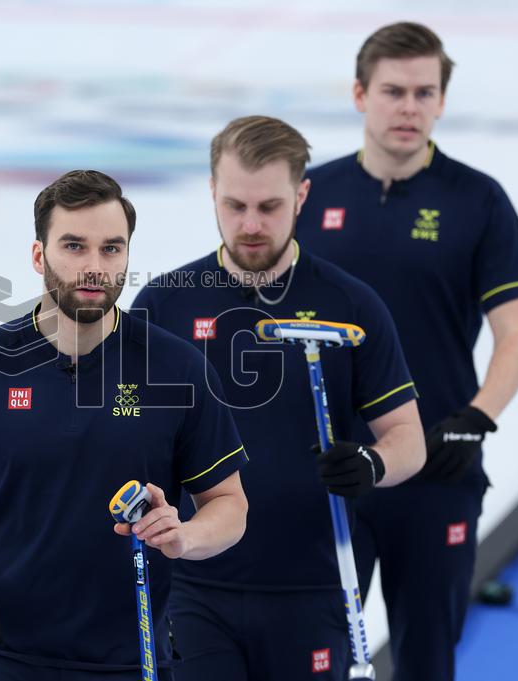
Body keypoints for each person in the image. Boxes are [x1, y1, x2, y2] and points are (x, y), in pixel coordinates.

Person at [0, 169, 249, 681]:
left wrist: (185, 536)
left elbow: (230, 505)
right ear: (39, 255)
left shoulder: (177, 368)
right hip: (5, 659)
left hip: (132, 661)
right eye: (74, 246)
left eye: (111, 249)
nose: (94, 267)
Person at [132, 116, 425, 681]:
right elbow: (123, 428)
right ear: (212, 192)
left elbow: (409, 439)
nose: (250, 225)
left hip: (314, 584)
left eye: (269, 207)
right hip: (192, 579)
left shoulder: (351, 304)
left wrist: (372, 462)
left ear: (302, 195)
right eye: (234, 205)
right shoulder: (164, 305)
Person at [296, 22, 518, 681]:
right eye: (393, 91)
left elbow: (516, 333)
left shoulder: (477, 200)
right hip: (327, 474)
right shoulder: (307, 196)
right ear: (360, 94)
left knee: (428, 661)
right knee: (313, 658)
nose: (409, 107)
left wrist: (477, 417)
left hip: (436, 467)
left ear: (441, 101)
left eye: (424, 93)